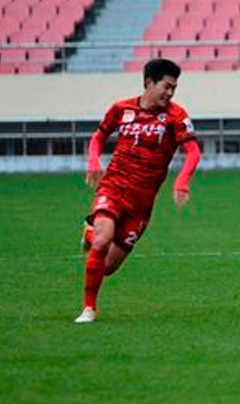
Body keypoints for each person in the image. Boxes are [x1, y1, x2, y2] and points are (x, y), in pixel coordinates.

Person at [75, 58, 201, 323]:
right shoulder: (121, 109)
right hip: (114, 186)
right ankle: (89, 309)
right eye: (166, 86)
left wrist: (182, 180)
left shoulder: (177, 116)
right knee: (103, 239)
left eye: (174, 88)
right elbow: (99, 136)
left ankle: (89, 232)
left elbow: (192, 151)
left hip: (142, 202)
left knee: (107, 266)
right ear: (148, 83)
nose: (170, 93)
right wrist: (93, 161)